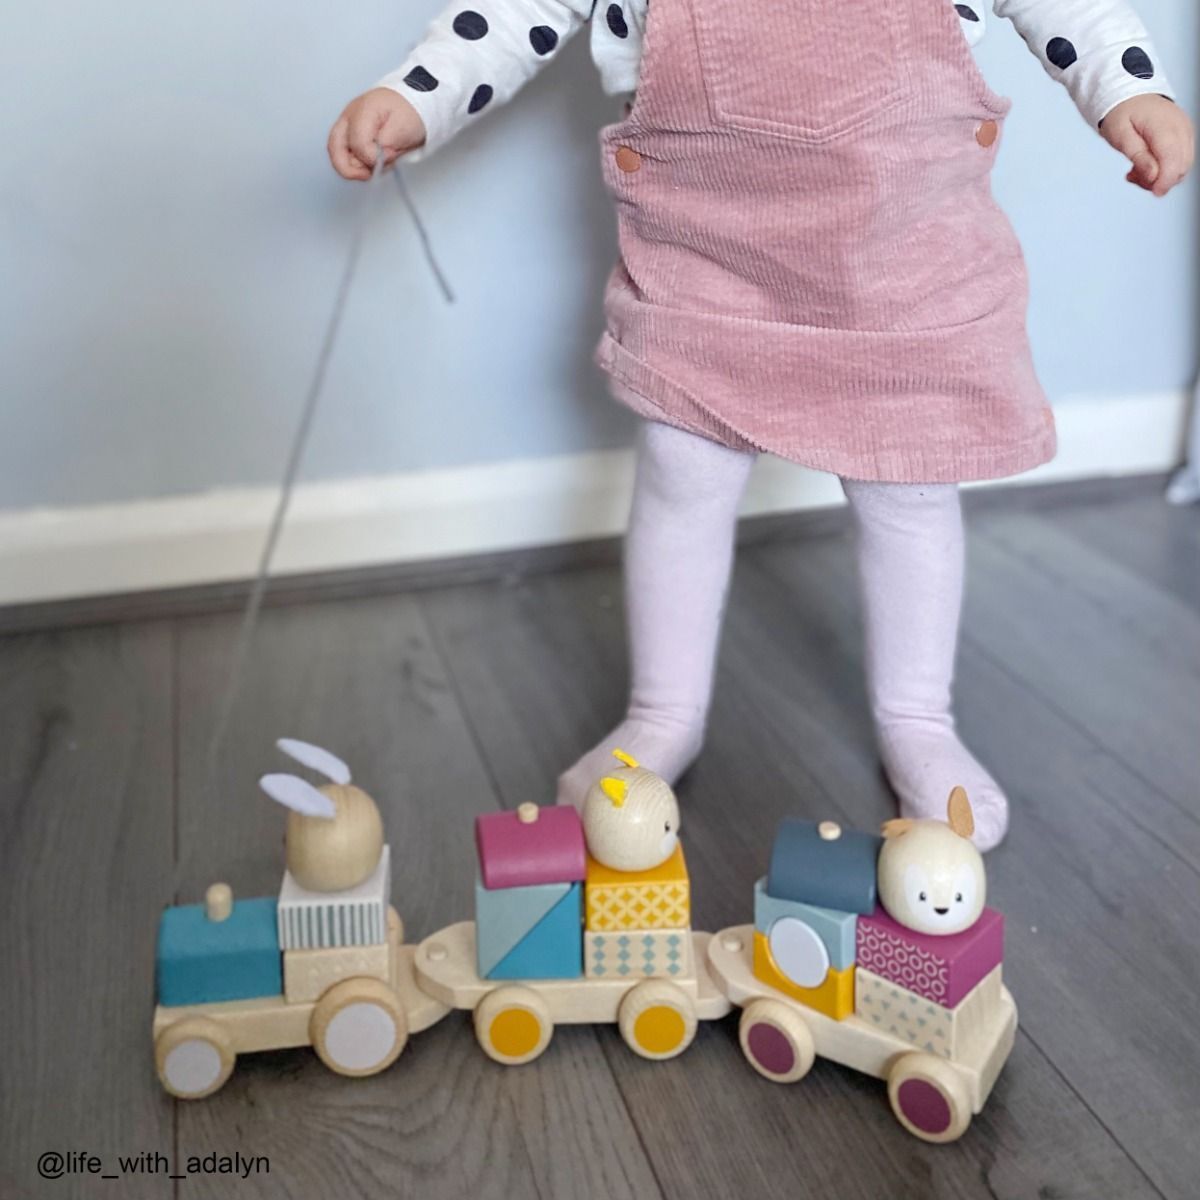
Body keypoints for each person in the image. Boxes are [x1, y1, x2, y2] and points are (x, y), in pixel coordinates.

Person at [328, 0, 1194, 849]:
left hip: (905, 259)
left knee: (910, 487)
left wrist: (1129, 91)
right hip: (708, 258)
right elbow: (512, 13)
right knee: (683, 469)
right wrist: (418, 96)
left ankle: (918, 717)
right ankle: (663, 711)